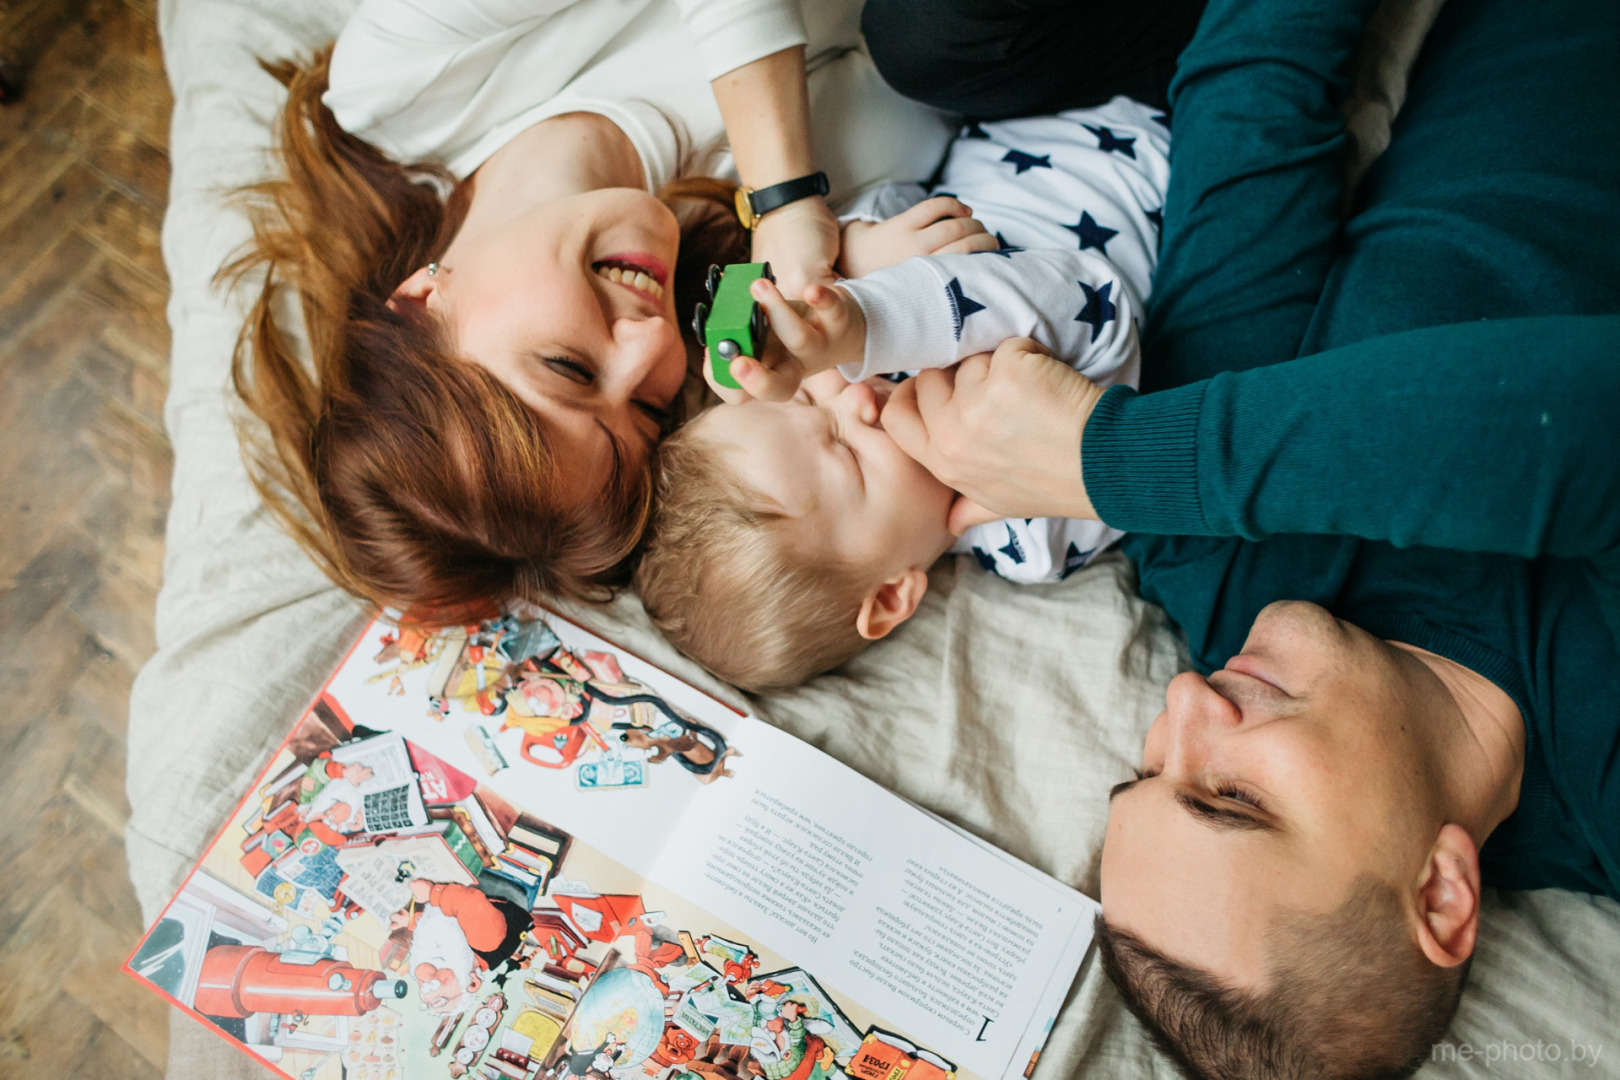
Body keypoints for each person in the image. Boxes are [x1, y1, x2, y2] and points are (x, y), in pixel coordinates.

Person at [867, 0, 1620, 1076]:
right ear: (1441, 894)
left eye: (1148, 769)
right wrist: (1112, 460)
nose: (1184, 703)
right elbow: (1591, 430)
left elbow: (1258, 104)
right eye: (1230, 796)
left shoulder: (1227, 584)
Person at [226, 0, 954, 618]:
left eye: (567, 367)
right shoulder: (766, 265)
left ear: (419, 301)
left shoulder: (404, 79)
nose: (647, 344)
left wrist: (784, 193)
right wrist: (850, 292)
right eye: (642, 409)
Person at [635, 98, 1170, 690]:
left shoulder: (848, 355)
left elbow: (905, 196)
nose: (855, 400)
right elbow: (1097, 305)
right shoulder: (1032, 532)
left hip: (1017, 106)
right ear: (892, 595)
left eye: (810, 400)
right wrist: (875, 322)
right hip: (1149, 144)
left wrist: (858, 252)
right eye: (851, 454)